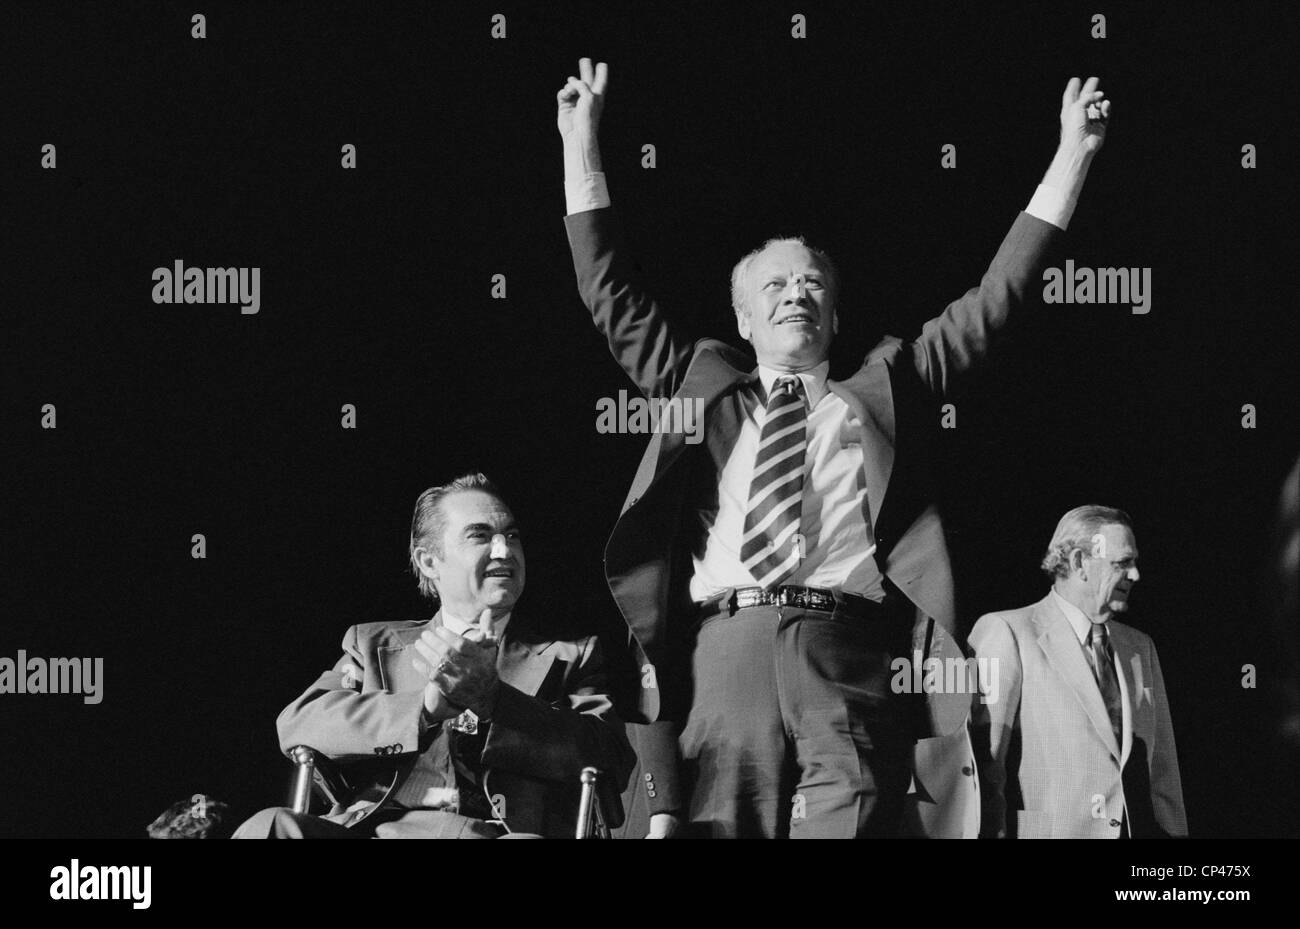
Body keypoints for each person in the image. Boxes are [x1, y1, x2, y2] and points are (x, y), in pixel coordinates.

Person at [556, 58, 1110, 838]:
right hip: (725, 652)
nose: (798, 295)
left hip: (846, 651)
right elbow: (609, 293)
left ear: (837, 318)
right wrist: (581, 140)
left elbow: (996, 301)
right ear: (743, 319)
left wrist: (1072, 154)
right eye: (775, 287)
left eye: (813, 285)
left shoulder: (886, 388)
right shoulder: (701, 387)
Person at [233, 473, 633, 838]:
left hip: (497, 833)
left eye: (511, 536)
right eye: (480, 536)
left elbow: (608, 755)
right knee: (270, 827)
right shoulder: (374, 645)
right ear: (429, 561)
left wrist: (493, 700)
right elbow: (300, 723)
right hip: (380, 829)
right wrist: (421, 710)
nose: (504, 550)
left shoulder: (570, 654)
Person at [968, 506, 1188, 838]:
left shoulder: (1140, 647)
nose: (1135, 575)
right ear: (1079, 563)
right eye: (1122, 563)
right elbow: (985, 768)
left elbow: (1163, 774)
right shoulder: (1008, 632)